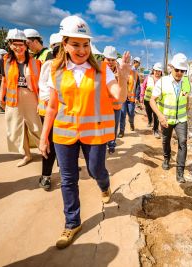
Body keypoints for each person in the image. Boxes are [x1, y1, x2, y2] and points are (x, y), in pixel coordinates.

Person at [38, 15, 129, 249]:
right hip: (64, 132)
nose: (82, 49)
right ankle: (72, 223)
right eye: (76, 44)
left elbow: (119, 97)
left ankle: (104, 184)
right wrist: (43, 137)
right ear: (65, 44)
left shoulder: (102, 71)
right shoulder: (56, 70)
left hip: (95, 133)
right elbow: (52, 106)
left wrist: (125, 75)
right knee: (68, 179)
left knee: (95, 169)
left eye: (85, 44)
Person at [0, 29, 42, 167]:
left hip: (31, 97)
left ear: (26, 44)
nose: (18, 47)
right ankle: (27, 154)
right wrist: (0, 97)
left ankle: (47, 151)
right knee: (16, 128)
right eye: (14, 44)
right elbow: (4, 80)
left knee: (37, 127)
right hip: (13, 98)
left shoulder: (36, 62)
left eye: (21, 44)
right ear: (10, 45)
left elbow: (41, 84)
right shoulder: (5, 61)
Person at [149, 53, 191, 183]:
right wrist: (160, 116)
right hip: (166, 119)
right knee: (166, 140)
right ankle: (166, 158)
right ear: (171, 67)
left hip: (181, 119)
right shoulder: (162, 82)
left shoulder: (186, 82)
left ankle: (180, 172)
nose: (179, 73)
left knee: (183, 142)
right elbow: (152, 101)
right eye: (177, 69)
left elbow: (187, 97)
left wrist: (187, 109)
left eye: (182, 70)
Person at [36, 32, 62, 190]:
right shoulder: (49, 65)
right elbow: (44, 91)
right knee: (49, 144)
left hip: (63, 113)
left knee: (63, 142)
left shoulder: (71, 67)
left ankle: (64, 166)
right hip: (48, 111)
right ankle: (45, 175)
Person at [103, 45, 123, 154]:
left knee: (114, 126)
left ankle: (111, 144)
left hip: (116, 105)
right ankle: (104, 143)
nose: (110, 62)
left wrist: (118, 77)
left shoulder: (119, 72)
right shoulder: (99, 70)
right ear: (104, 58)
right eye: (108, 59)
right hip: (103, 106)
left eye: (112, 60)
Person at [119, 57, 140, 137]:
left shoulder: (135, 74)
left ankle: (131, 123)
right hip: (122, 98)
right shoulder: (121, 72)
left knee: (131, 113)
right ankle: (121, 131)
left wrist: (137, 97)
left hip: (131, 98)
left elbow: (138, 86)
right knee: (122, 114)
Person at [140, 62, 162, 138]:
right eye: (156, 70)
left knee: (156, 115)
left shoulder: (163, 80)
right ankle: (150, 121)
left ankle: (155, 130)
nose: (157, 72)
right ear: (153, 70)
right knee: (149, 112)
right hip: (147, 99)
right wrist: (141, 97)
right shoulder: (148, 78)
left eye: (159, 71)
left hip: (157, 101)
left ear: (161, 72)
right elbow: (143, 86)